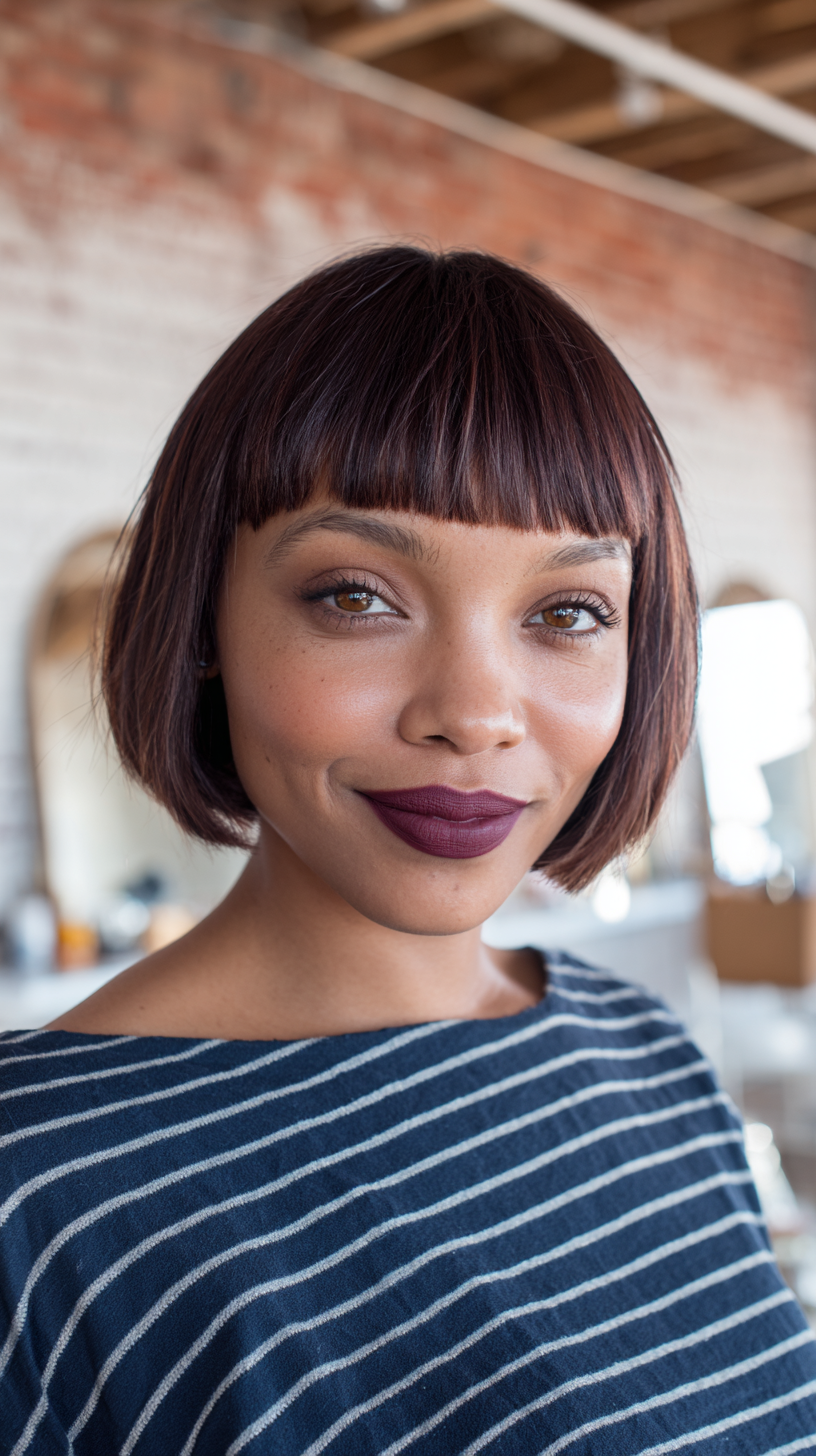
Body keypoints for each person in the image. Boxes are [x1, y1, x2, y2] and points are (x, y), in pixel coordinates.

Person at [1, 247, 814, 1456]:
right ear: (207, 615)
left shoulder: (650, 1056)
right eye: (356, 595)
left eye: (568, 612)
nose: (476, 712)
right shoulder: (42, 1188)